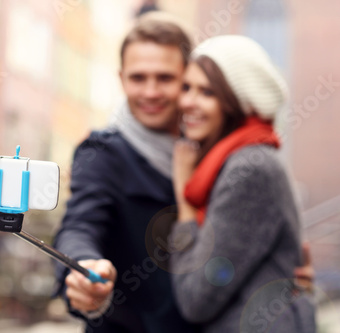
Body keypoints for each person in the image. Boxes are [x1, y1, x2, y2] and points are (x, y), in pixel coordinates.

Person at [53, 12, 314, 333]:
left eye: (166, 78)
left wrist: (280, 274)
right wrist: (84, 269)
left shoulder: (219, 153)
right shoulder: (104, 153)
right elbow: (79, 226)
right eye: (138, 78)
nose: (150, 92)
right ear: (121, 79)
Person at [169, 35, 316, 332]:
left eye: (207, 92)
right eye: (187, 87)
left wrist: (185, 207)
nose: (187, 102)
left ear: (237, 101)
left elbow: (196, 298)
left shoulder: (251, 168)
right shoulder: (231, 160)